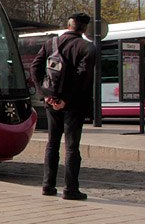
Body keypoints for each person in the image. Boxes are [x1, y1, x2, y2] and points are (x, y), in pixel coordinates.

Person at [31, 12, 97, 201]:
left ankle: (48, 185)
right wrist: (65, 100)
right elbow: (82, 77)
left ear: (69, 25)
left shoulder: (50, 43)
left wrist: (46, 95)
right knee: (72, 147)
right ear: (84, 28)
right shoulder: (87, 47)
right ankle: (71, 189)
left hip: (51, 102)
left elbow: (35, 68)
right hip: (74, 104)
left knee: (52, 144)